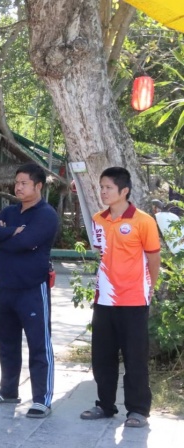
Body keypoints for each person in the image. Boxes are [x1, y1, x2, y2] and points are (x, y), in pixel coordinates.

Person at [80, 167, 160, 428]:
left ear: (124, 190)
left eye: (108, 188)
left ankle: (138, 410)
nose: (103, 192)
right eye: (101, 187)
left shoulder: (143, 220)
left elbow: (153, 258)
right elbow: (101, 253)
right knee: (102, 356)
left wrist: (149, 287)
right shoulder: (98, 219)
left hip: (134, 299)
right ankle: (105, 405)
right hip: (104, 299)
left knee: (135, 357)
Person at [0, 163, 59, 418]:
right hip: (5, 289)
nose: (18, 187)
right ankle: (8, 390)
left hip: (32, 290)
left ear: (38, 186)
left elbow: (26, 242)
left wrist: (6, 238)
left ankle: (42, 399)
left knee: (39, 345)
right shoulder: (10, 211)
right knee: (7, 343)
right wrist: (12, 231)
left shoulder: (46, 214)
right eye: (17, 183)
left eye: (24, 183)